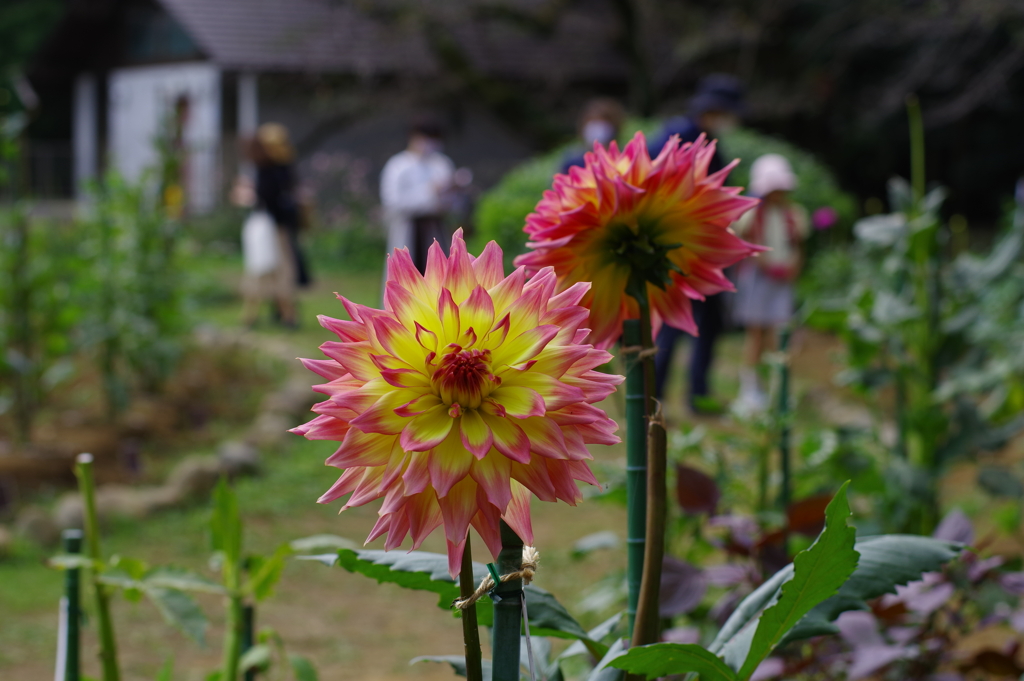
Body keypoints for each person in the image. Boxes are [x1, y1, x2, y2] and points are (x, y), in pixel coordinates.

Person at [648, 74, 746, 413]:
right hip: (676, 249)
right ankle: (655, 396)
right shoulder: (676, 138)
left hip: (702, 250)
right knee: (674, 322)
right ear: (713, 109)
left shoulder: (710, 142)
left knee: (707, 325)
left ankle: (697, 394)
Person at [732, 154, 809, 412]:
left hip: (782, 279)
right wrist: (766, 264)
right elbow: (746, 244)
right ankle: (750, 388)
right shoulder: (753, 213)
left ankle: (778, 388)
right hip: (758, 279)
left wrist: (791, 267)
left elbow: (797, 245)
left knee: (779, 334)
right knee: (756, 333)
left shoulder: (793, 215)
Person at [238, 123, 305, 328]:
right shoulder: (278, 170)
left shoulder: (270, 171)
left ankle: (265, 316)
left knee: (268, 272)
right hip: (276, 228)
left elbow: (266, 199)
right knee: (278, 272)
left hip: (271, 228)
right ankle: (284, 315)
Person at [380, 117, 456, 273]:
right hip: (408, 228)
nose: (430, 144)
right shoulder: (398, 165)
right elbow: (392, 202)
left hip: (436, 227)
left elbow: (452, 203)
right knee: (406, 276)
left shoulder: (441, 163)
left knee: (439, 274)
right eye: (426, 138)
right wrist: (430, 192)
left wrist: (451, 193)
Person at [561, 98, 625, 173]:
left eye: (602, 123)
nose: (597, 129)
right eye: (593, 122)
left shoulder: (623, 156)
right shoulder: (572, 159)